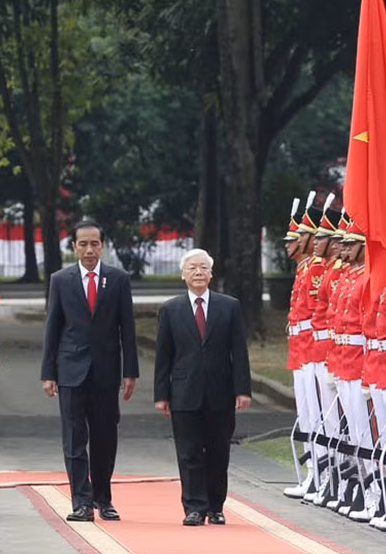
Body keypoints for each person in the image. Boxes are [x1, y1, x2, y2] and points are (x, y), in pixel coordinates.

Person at [40, 220, 139, 522]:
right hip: (71, 370)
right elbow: (53, 327)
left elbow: (128, 329)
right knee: (74, 438)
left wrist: (130, 371)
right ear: (73, 247)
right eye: (82, 244)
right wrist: (49, 372)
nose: (89, 249)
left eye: (94, 243)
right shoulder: (60, 279)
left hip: (107, 371)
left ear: (102, 245)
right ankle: (80, 501)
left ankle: (103, 498)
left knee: (105, 437)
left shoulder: (118, 279)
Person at [153, 248, 252, 526]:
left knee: (219, 451)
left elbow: (238, 351)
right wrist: (161, 394)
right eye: (192, 268)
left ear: (211, 274)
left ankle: (216, 506)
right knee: (189, 452)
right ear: (183, 274)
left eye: (203, 268)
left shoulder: (228, 306)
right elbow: (164, 355)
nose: (198, 272)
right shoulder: (171, 309)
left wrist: (242, 389)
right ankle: (194, 507)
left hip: (220, 392)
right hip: (184, 392)